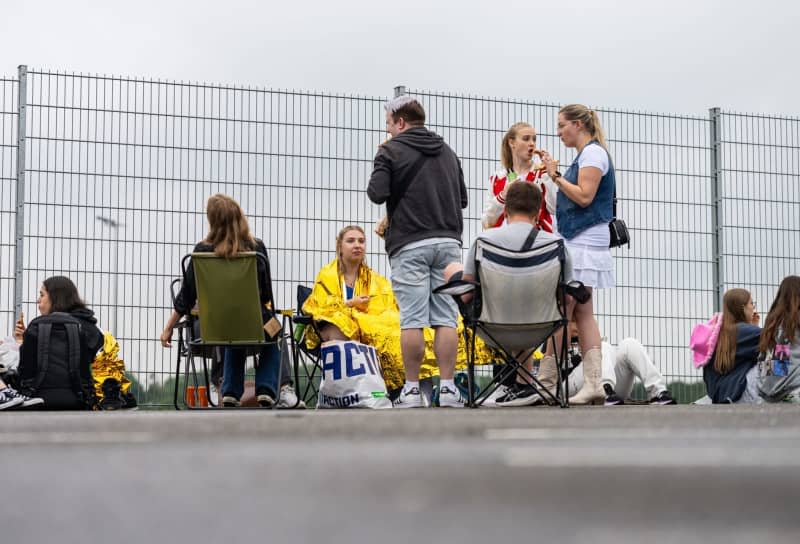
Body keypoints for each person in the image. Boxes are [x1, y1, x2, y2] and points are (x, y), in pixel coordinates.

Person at [302, 225, 494, 400]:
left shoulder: (373, 278)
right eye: (351, 241)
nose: (357, 245)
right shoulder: (327, 274)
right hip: (346, 326)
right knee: (361, 328)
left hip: (375, 324)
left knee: (400, 332)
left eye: (361, 241)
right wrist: (351, 304)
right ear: (340, 246)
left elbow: (389, 304)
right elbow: (321, 304)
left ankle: (416, 388)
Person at [367, 96, 468, 408]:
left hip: (410, 243)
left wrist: (382, 156)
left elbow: (377, 193)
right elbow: (462, 199)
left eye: (388, 124)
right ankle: (449, 388)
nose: (388, 130)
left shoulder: (390, 150)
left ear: (399, 122)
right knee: (446, 319)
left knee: (411, 319)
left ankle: (412, 390)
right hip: (449, 243)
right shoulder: (448, 152)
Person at [160, 194, 302, 409]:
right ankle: (267, 389)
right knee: (276, 332)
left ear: (212, 220)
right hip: (253, 323)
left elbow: (186, 296)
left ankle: (230, 392)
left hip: (213, 327)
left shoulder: (201, 251)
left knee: (234, 335)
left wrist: (169, 327)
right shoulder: (256, 248)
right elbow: (265, 295)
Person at [444, 182, 573, 406]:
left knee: (452, 270)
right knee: (528, 299)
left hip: (492, 328)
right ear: (537, 212)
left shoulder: (483, 241)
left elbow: (465, 294)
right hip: (540, 329)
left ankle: (513, 385)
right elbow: (568, 298)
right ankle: (523, 383)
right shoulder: (557, 245)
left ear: (506, 210)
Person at [540, 104, 615, 405]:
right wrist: (552, 176)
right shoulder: (586, 156)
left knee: (565, 307)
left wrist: (556, 176)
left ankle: (549, 381)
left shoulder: (594, 155)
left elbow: (584, 196)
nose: (558, 132)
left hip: (584, 242)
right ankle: (589, 382)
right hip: (581, 240)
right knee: (580, 310)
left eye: (561, 126)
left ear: (578, 125)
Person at [13, 276, 134, 410]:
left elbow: (25, 368)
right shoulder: (91, 329)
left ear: (55, 297)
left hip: (37, 398)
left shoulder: (38, 328)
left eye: (42, 295)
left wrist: (22, 343)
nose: (38, 300)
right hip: (83, 400)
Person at [564, 321, 676, 405]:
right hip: (569, 387)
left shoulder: (584, 312)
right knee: (603, 347)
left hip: (598, 383)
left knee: (629, 344)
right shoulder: (557, 325)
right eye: (574, 321)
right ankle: (605, 391)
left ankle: (658, 392)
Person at [482, 122, 558, 233]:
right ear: (512, 143)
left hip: (536, 242)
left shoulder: (542, 175)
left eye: (534, 139)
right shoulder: (498, 178)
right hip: (504, 243)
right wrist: (503, 196)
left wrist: (550, 174)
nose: (532, 143)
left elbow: (555, 208)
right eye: (526, 139)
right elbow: (487, 220)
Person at [695, 288, 761, 404]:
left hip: (718, 393)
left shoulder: (719, 332)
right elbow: (775, 339)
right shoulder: (744, 331)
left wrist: (753, 327)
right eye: (751, 303)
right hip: (740, 393)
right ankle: (786, 394)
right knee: (775, 356)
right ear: (743, 307)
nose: (753, 308)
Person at [757, 276, 800, 402]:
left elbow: (780, 364)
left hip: (766, 391)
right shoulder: (795, 322)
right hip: (793, 388)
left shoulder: (771, 323)